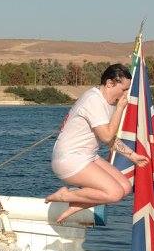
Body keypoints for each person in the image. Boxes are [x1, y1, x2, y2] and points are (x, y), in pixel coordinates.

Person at [45, 63, 148, 222]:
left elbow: (108, 138)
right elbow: (107, 137)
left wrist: (132, 156)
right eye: (123, 90)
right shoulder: (94, 100)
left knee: (126, 187)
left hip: (88, 156)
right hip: (69, 159)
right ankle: (66, 195)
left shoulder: (108, 102)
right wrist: (120, 108)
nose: (125, 95)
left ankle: (77, 205)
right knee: (114, 194)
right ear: (109, 83)